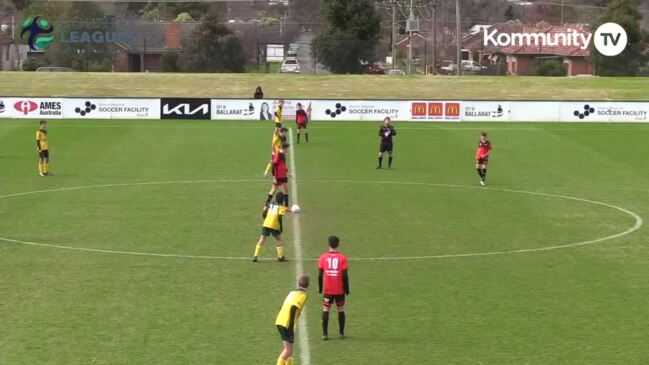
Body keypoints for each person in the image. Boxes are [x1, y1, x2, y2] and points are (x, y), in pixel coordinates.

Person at [318, 235, 349, 340]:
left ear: (328, 243)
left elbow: (320, 274)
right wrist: (347, 288)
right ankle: (341, 333)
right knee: (340, 309)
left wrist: (320, 287)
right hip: (339, 289)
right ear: (338, 244)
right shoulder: (343, 258)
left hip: (328, 289)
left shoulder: (323, 257)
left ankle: (325, 334)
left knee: (326, 309)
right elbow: (345, 275)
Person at [275, 275, 309, 365]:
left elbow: (282, 306)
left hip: (280, 320)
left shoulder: (292, 292)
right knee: (288, 350)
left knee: (289, 350)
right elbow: (293, 308)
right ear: (308, 285)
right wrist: (291, 326)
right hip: (287, 323)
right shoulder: (303, 295)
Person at [253, 192, 292, 262]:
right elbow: (280, 215)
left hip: (266, 223)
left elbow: (264, 212)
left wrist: (265, 219)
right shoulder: (281, 207)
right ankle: (280, 257)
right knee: (278, 240)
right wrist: (281, 226)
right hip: (274, 224)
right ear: (282, 200)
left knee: (262, 239)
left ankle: (255, 255)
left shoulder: (270, 204)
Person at [265, 143, 290, 208]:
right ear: (285, 148)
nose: (288, 150)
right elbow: (273, 165)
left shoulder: (283, 155)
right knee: (273, 189)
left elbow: (283, 165)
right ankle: (267, 203)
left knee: (286, 190)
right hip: (278, 176)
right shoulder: (278, 154)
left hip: (283, 175)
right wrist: (274, 177)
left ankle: (286, 206)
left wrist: (287, 172)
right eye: (287, 148)